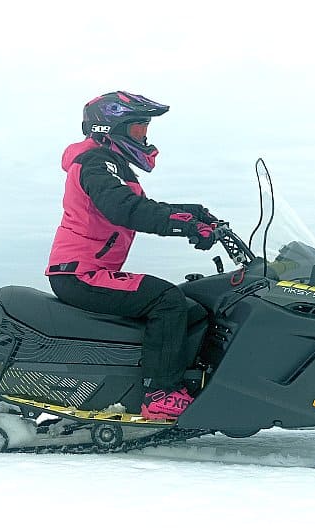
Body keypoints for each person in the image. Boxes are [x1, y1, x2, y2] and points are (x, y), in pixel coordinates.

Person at [46, 91, 219, 420]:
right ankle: (160, 394)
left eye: (145, 129)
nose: (144, 137)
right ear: (110, 129)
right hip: (79, 275)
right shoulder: (95, 163)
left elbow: (141, 206)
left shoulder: (110, 165)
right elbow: (124, 208)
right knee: (166, 300)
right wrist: (184, 225)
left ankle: (180, 380)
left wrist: (195, 213)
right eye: (138, 128)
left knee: (190, 305)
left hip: (86, 271)